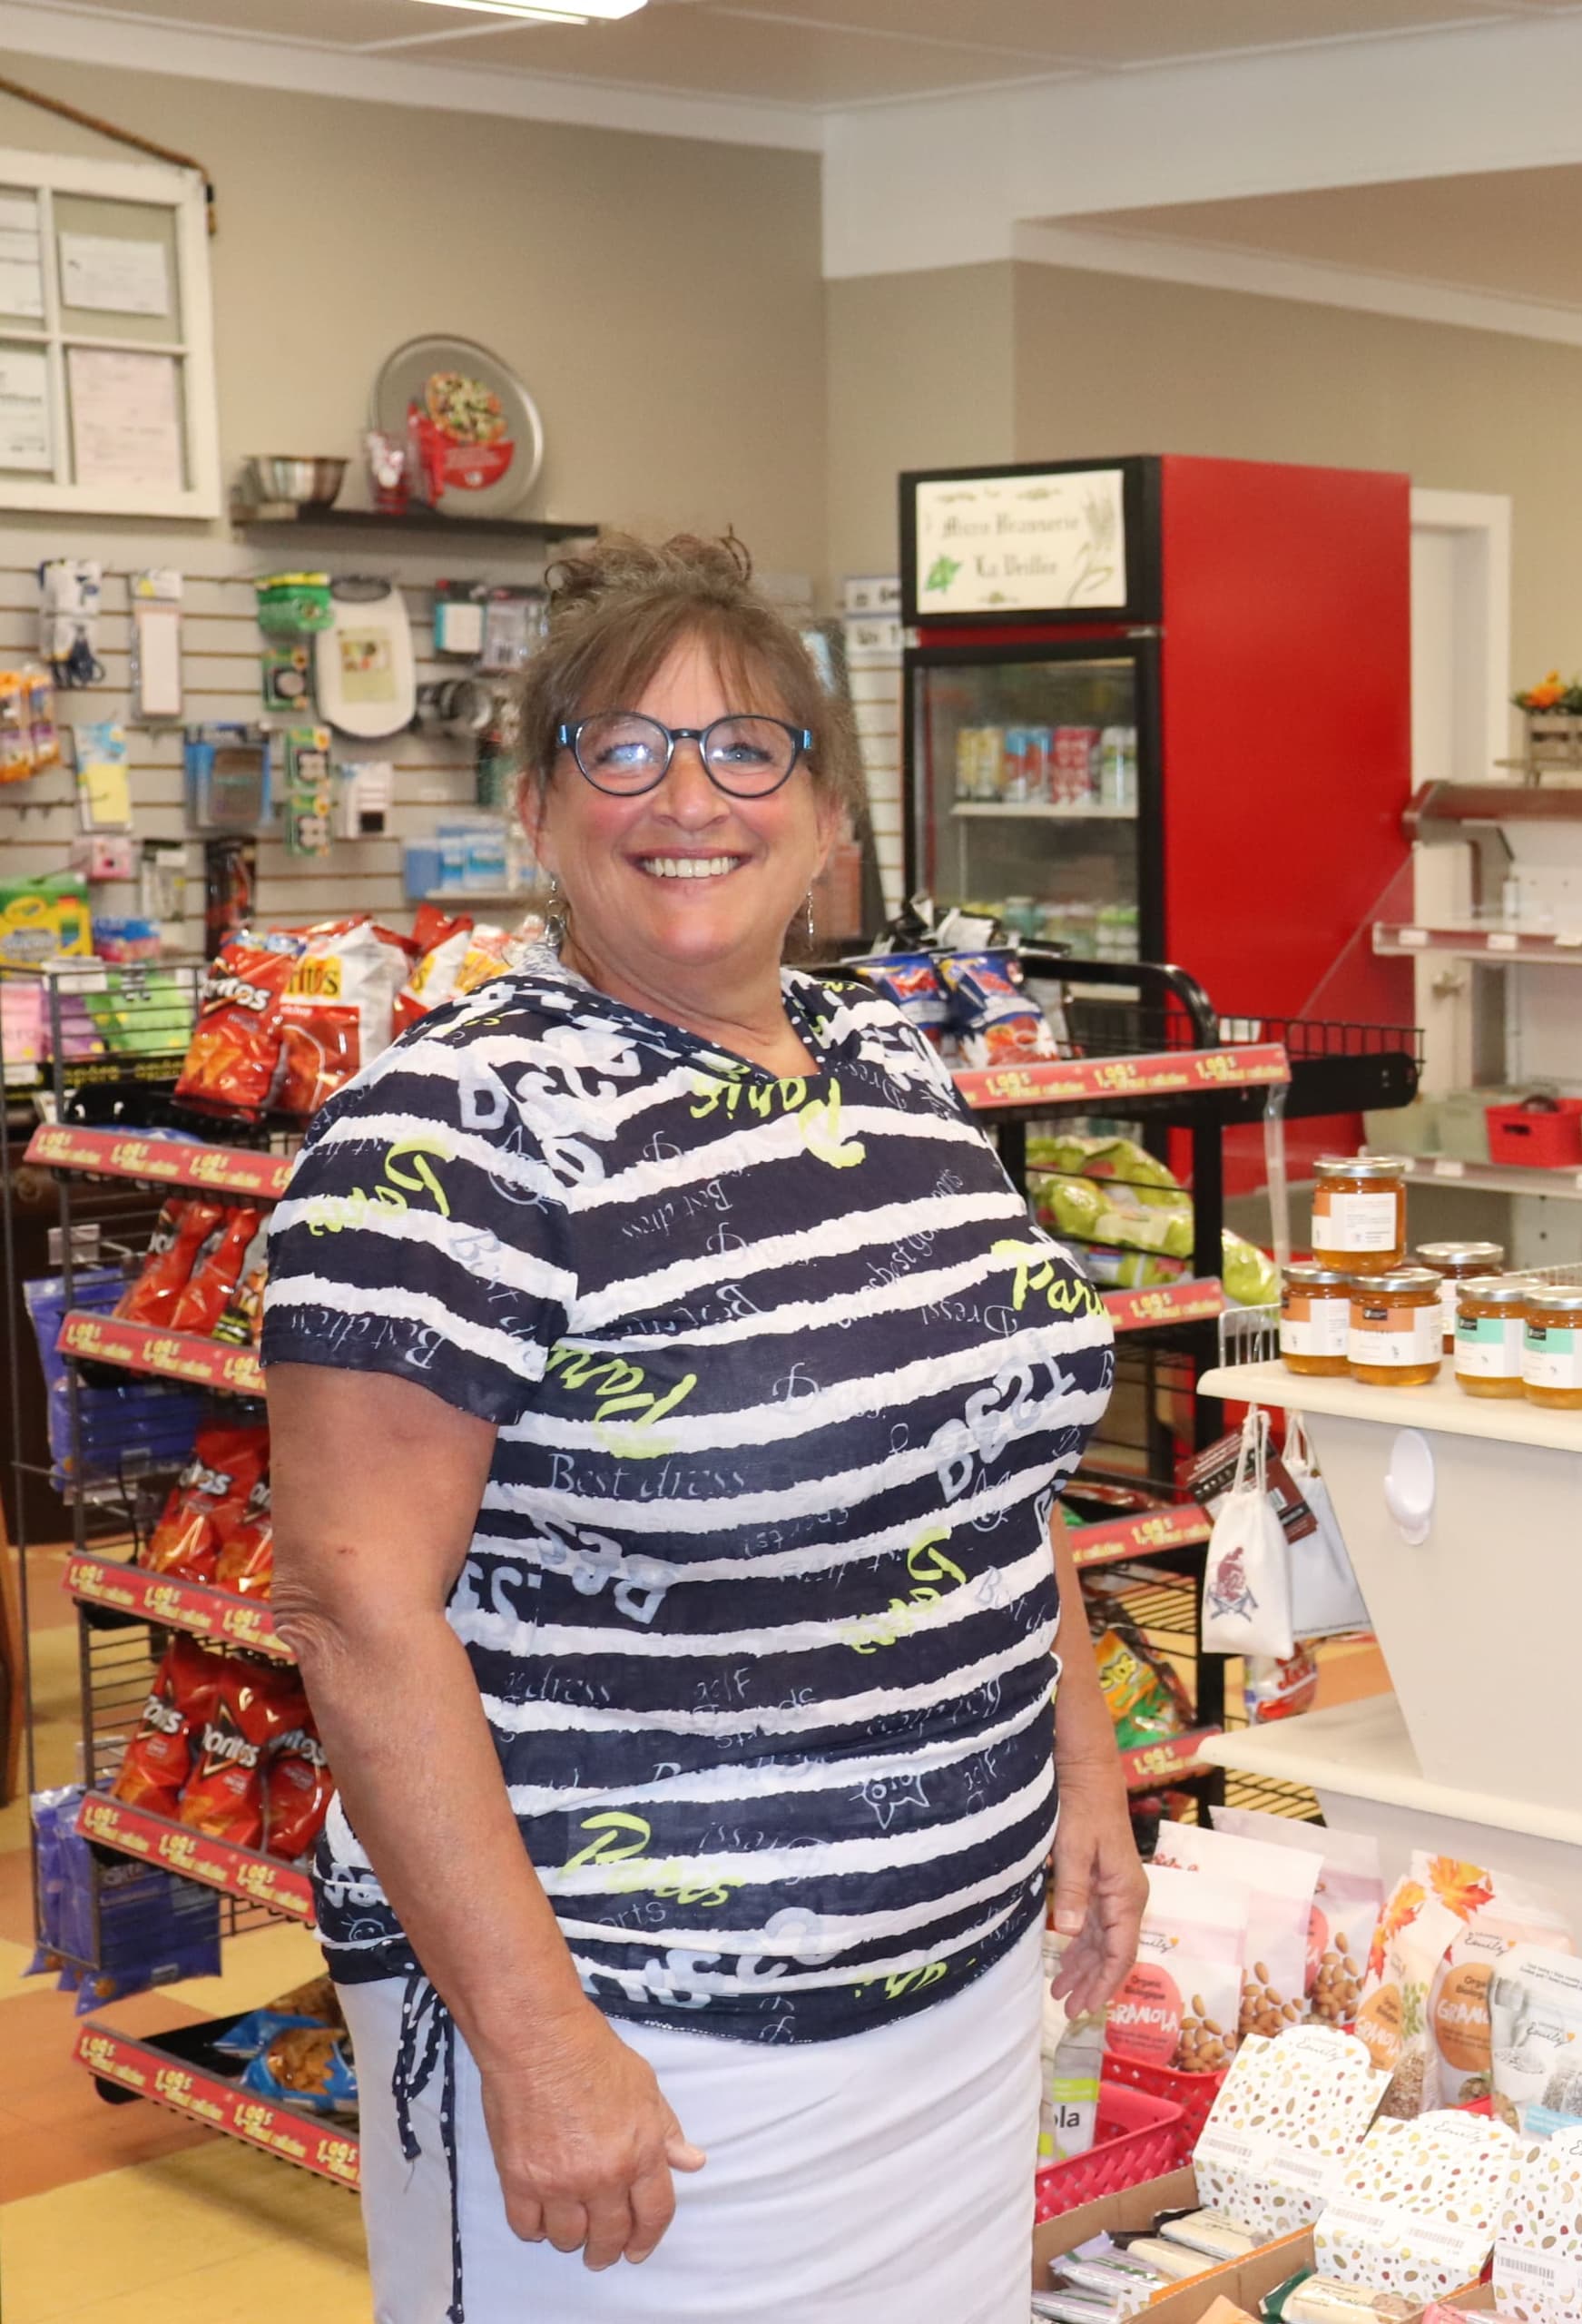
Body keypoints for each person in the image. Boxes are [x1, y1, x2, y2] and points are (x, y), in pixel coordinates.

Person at [265, 534, 1145, 2321]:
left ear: (828, 822)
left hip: (964, 1985)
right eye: (624, 749)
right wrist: (537, 2039)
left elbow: (981, 1464)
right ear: (538, 811)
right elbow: (354, 1610)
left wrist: (1088, 1760)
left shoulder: (887, 1055)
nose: (690, 799)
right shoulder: (448, 1131)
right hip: (651, 2041)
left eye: (749, 750)